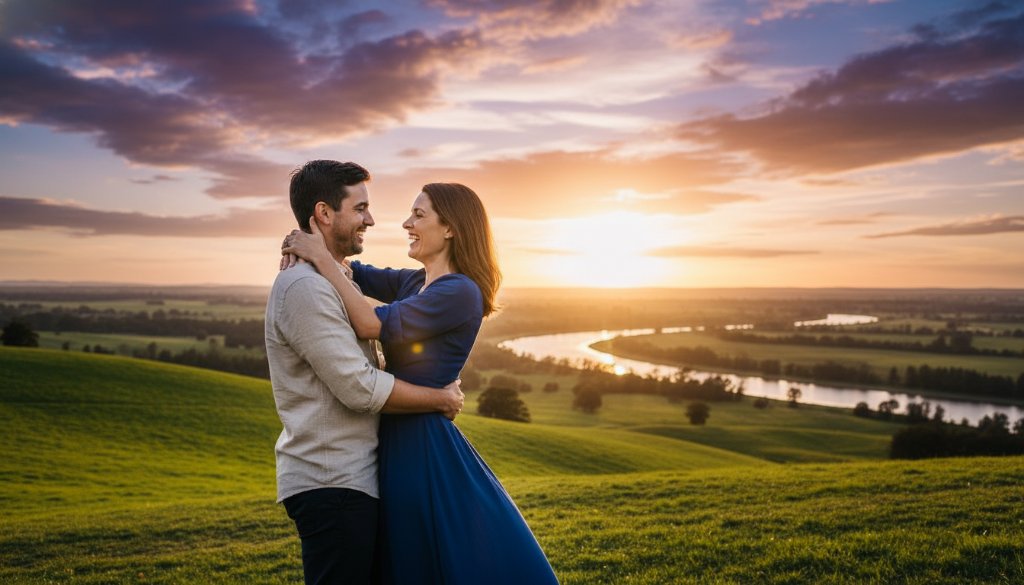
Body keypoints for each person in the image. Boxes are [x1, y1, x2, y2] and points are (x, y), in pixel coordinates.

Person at [282, 182, 560, 584]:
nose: (406, 223)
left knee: (428, 554)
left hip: (422, 442)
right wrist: (305, 242)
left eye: (418, 215)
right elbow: (354, 271)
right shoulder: (416, 282)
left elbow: (368, 322)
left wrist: (320, 257)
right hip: (396, 432)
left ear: (450, 228)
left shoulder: (460, 291)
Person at [266, 160, 466, 585]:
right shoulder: (305, 287)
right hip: (330, 481)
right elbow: (359, 387)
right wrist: (443, 398)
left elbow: (360, 277)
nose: (372, 219)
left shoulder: (336, 277)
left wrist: (314, 250)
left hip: (353, 478)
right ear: (324, 213)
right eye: (360, 209)